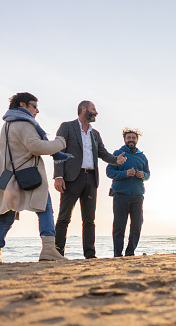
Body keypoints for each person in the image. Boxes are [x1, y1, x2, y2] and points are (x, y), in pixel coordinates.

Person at [0, 92, 71, 265]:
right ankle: (48, 249)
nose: (37, 110)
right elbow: (36, 146)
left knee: (7, 217)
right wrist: (60, 143)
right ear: (22, 105)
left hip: (9, 176)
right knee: (45, 209)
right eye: (34, 105)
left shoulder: (7, 124)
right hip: (28, 175)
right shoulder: (24, 123)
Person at [54, 101, 126, 259]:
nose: (96, 112)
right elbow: (59, 151)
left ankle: (90, 255)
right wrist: (58, 176)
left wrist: (116, 160)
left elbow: (103, 153)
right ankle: (57, 253)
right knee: (64, 217)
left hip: (91, 179)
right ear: (84, 109)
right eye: (94, 109)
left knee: (89, 220)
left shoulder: (95, 133)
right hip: (72, 178)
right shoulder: (67, 127)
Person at [106, 128, 150, 257]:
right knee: (119, 226)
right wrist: (125, 173)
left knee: (137, 226)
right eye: (129, 138)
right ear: (124, 139)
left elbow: (148, 174)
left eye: (133, 138)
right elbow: (109, 172)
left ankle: (130, 252)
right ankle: (117, 254)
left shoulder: (142, 156)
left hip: (138, 196)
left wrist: (143, 175)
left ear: (137, 140)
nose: (131, 140)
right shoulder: (118, 153)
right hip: (120, 195)